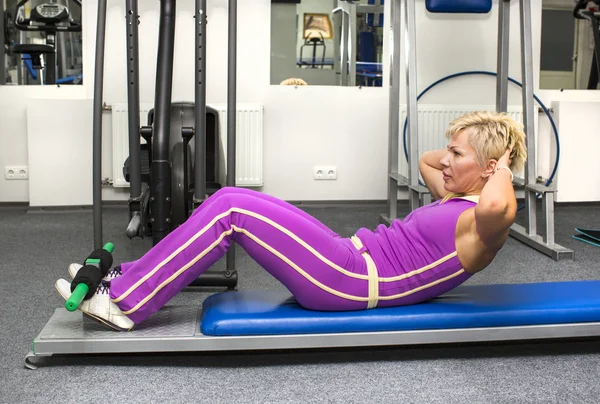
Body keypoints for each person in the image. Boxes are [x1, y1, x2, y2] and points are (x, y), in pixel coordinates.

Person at [56, 111, 527, 331]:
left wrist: (502, 161)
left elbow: (498, 206)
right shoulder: (455, 195)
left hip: (351, 282)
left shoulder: (483, 225)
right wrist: (467, 145)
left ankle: (123, 302)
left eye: (458, 154)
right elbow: (427, 162)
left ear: (489, 169)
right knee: (232, 196)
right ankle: (130, 277)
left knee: (231, 213)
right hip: (349, 256)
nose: (444, 160)